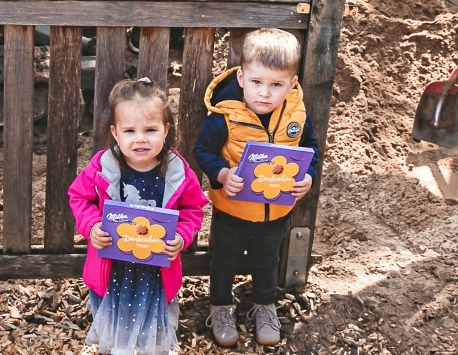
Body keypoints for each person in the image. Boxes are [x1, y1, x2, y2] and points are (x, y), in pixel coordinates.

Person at [194, 28, 320, 348]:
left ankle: (265, 306)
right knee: (223, 261)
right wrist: (222, 174)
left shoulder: (297, 115)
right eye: (257, 82)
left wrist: (309, 178)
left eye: (276, 85)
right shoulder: (225, 116)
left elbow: (311, 149)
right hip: (232, 211)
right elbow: (203, 152)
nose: (264, 93)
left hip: (276, 213)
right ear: (241, 78)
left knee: (267, 261)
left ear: (291, 84)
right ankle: (221, 307)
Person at [67, 79, 208, 354]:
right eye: (130, 130)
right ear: (115, 133)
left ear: (165, 131)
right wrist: (93, 225)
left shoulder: (177, 171)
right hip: (112, 267)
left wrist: (181, 236)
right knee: (112, 326)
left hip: (155, 271)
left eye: (150, 130)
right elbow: (79, 197)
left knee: (153, 332)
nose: (140, 138)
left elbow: (193, 209)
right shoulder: (103, 166)